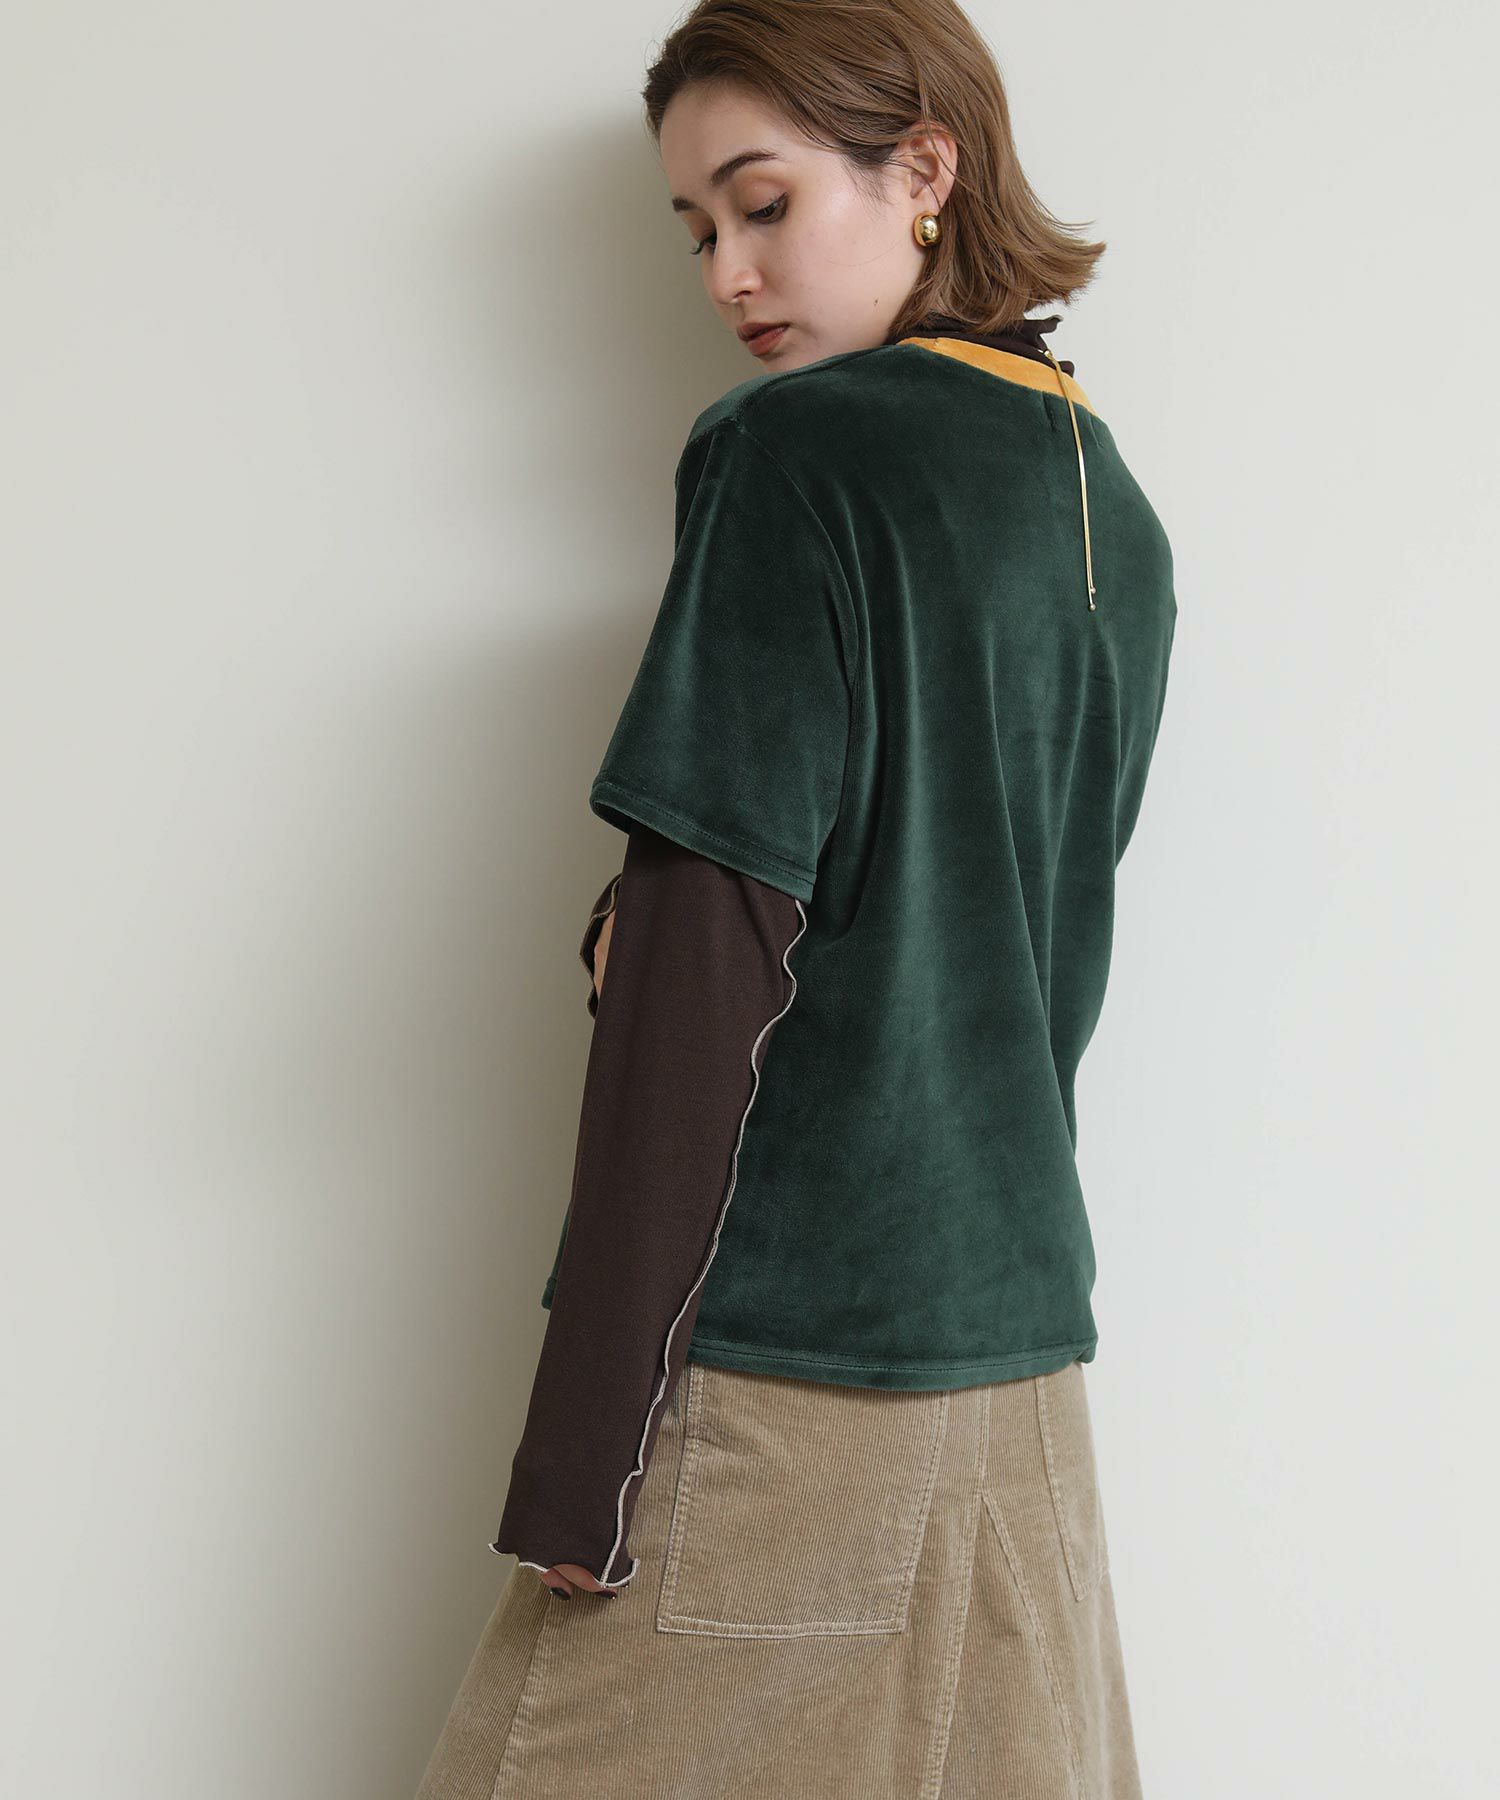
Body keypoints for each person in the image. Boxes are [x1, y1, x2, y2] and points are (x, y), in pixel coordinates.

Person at [416, 0, 1175, 1793]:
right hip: (1020, 1380)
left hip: (790, 1370)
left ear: (925, 170)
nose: (726, 275)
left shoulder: (795, 455)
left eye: (762, 204)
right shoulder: (1112, 509)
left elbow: (707, 967)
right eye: (696, 230)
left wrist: (585, 1452)